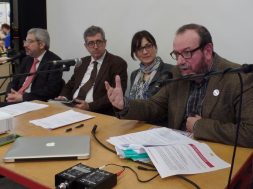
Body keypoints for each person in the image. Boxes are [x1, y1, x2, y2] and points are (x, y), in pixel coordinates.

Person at [105, 23, 253, 148]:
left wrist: (199, 126)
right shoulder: (177, 73)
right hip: (175, 150)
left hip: (216, 154)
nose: (180, 61)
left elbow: (249, 133)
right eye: (177, 54)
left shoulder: (239, 78)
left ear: (207, 51)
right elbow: (154, 106)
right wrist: (125, 104)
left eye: (187, 53)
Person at [56, 25, 127, 115]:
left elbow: (116, 95)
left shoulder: (117, 63)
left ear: (105, 43)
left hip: (98, 112)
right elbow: (70, 85)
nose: (96, 46)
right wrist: (64, 97)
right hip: (72, 108)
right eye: (91, 43)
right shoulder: (82, 63)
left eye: (99, 42)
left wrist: (90, 106)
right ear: (86, 46)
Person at [5, 28, 63, 103]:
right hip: (16, 101)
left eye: (30, 42)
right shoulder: (26, 60)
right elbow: (14, 81)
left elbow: (50, 91)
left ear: (41, 45)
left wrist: (23, 97)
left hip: (33, 103)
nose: (25, 45)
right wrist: (10, 94)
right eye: (25, 41)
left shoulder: (55, 62)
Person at [129, 30, 173, 100]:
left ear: (155, 47)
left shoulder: (170, 71)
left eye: (148, 46)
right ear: (136, 54)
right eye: (139, 48)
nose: (145, 52)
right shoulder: (134, 75)